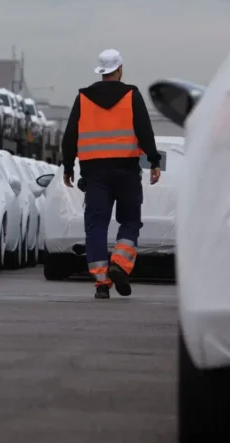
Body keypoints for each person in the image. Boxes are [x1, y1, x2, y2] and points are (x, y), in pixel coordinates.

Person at [60, 49, 161, 299]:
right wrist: (154, 160)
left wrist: (68, 167)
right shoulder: (131, 96)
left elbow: (70, 134)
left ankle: (102, 283)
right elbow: (145, 130)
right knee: (129, 221)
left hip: (94, 174)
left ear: (101, 71)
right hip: (126, 171)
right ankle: (120, 263)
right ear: (120, 69)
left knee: (96, 226)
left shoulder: (83, 98)